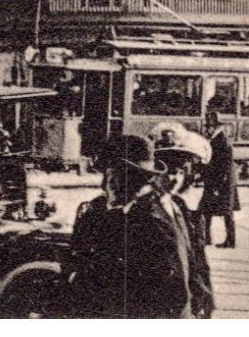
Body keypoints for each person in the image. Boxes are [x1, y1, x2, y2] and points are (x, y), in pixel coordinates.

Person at [61, 135, 197, 318]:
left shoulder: (149, 221)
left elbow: (172, 293)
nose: (103, 185)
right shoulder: (139, 212)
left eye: (108, 177)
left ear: (124, 177)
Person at [152, 122, 216, 319]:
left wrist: (206, 296)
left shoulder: (184, 210)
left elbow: (197, 260)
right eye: (167, 170)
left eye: (180, 172)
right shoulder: (144, 211)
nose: (173, 178)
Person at [201, 112, 239, 249]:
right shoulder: (217, 139)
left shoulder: (221, 141)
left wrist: (217, 186)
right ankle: (210, 238)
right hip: (217, 182)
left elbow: (225, 166)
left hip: (221, 183)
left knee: (224, 212)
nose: (207, 129)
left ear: (215, 127)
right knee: (208, 210)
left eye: (209, 127)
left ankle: (229, 240)